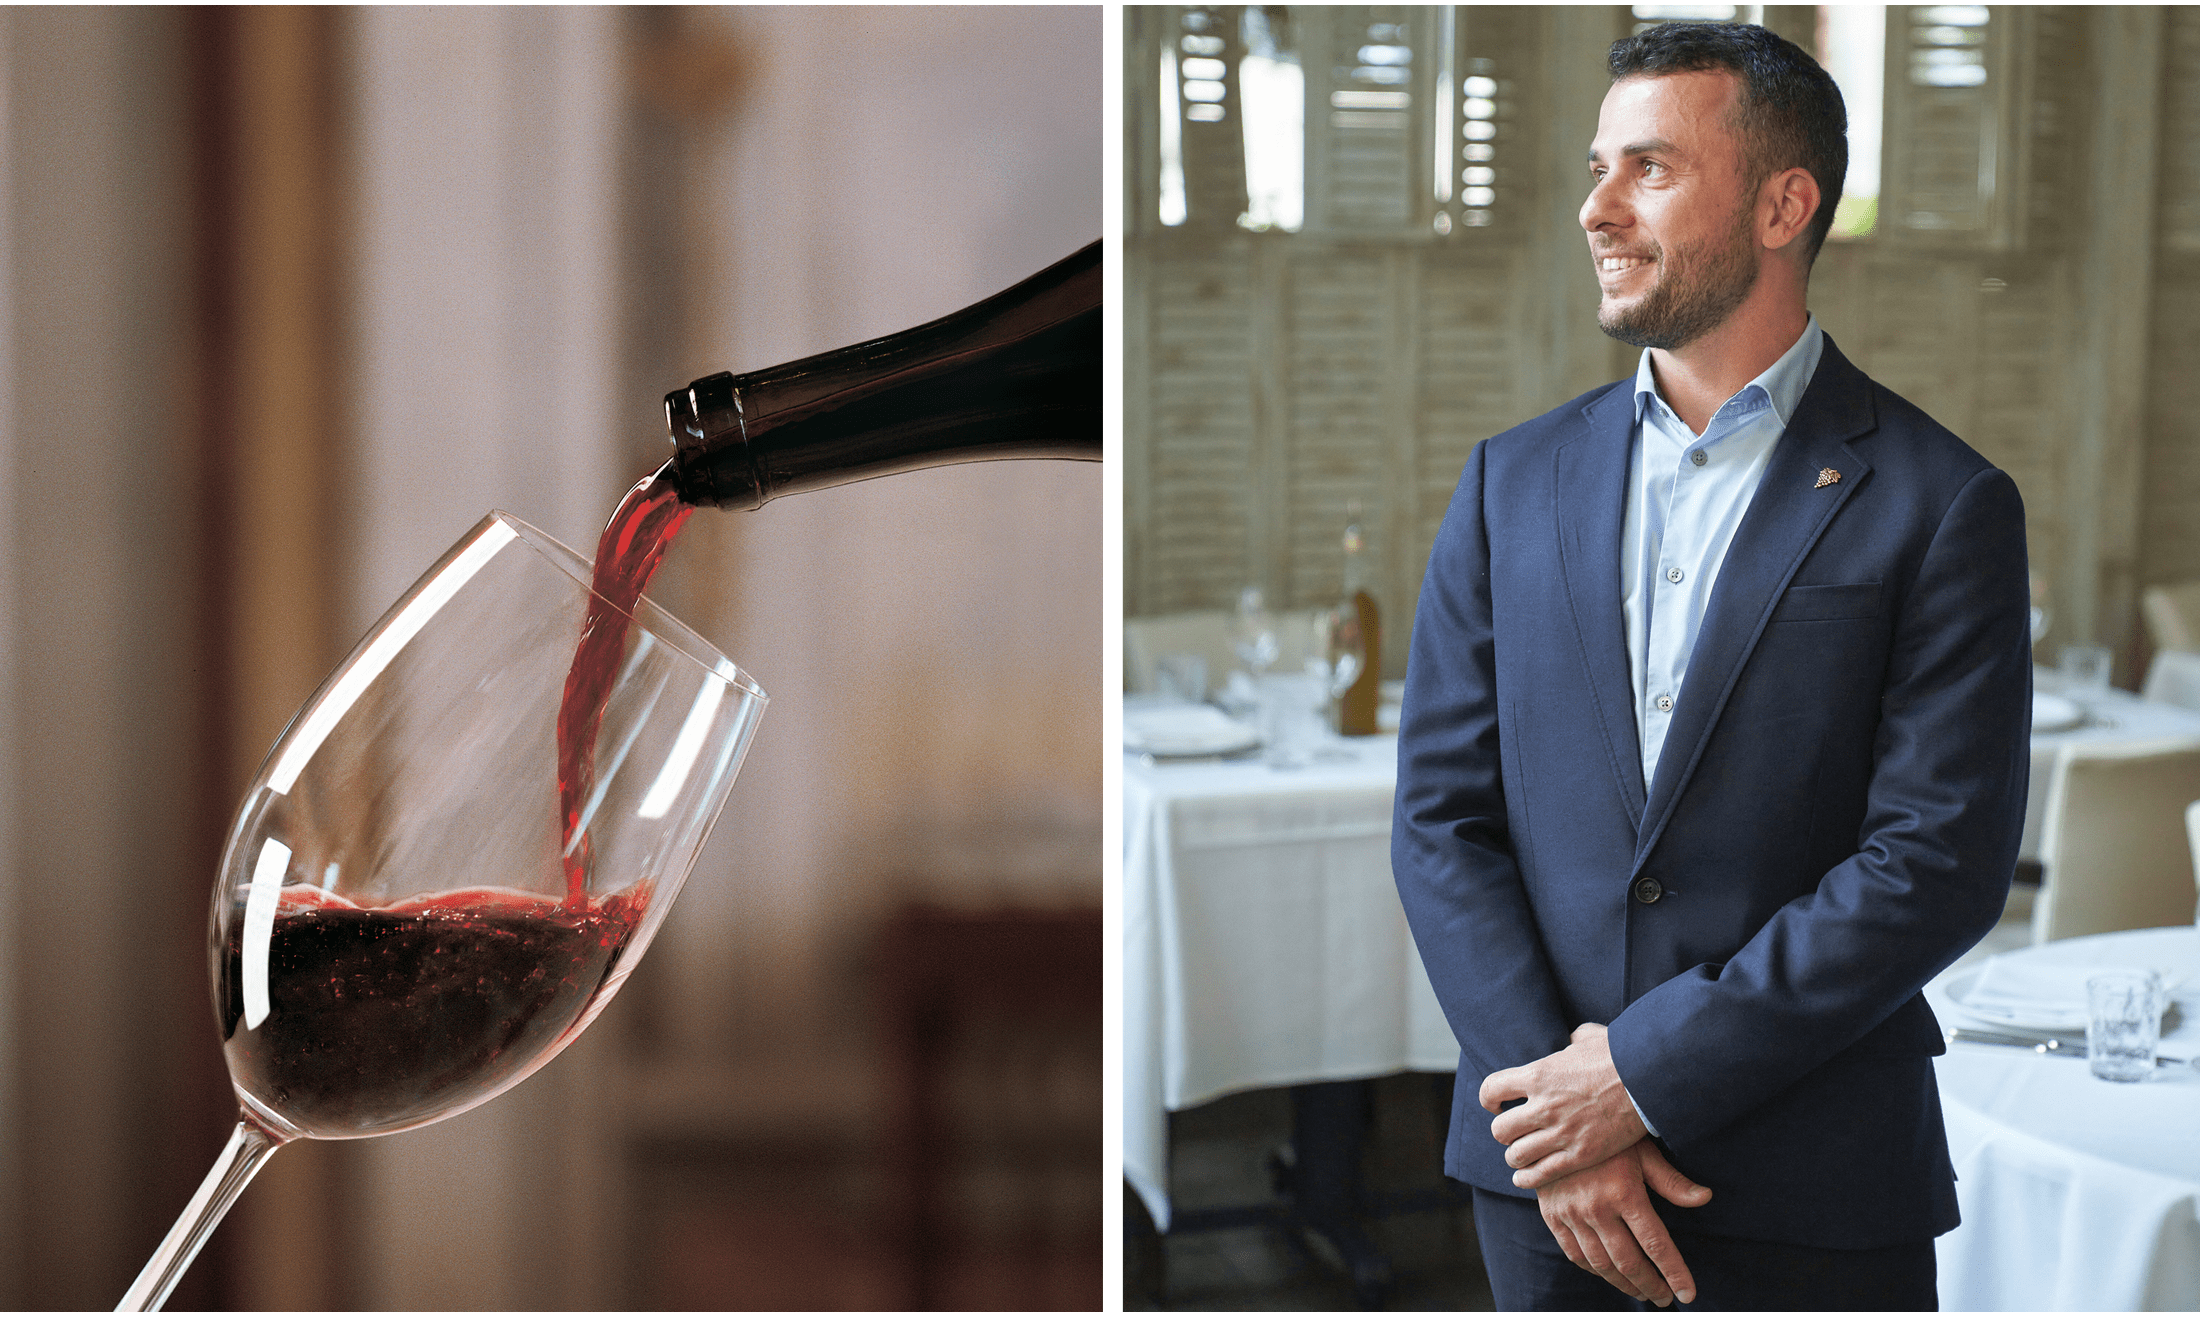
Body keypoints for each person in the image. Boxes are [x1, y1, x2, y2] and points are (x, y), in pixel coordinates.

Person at [1391, 22, 2030, 1312]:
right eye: (1596, 167)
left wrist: (1637, 1077)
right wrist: (1556, 1113)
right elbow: (1442, 821)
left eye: (1651, 169)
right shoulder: (1511, 481)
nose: (1596, 207)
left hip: (1814, 1181)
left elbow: (1936, 866)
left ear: (1784, 203)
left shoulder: (1944, 502)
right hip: (1540, 1183)